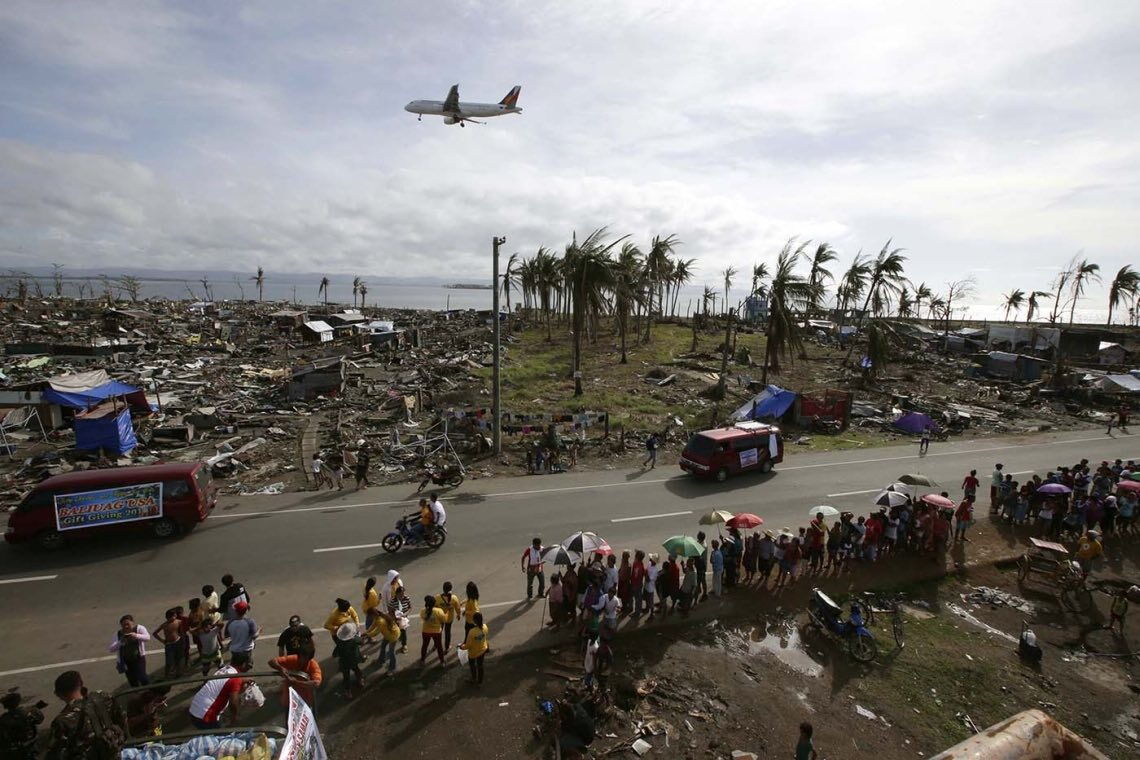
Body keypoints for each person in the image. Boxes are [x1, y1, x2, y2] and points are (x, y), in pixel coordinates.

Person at [43, 671, 126, 760]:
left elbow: (54, 754)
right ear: (81, 684)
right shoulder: (104, 697)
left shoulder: (63, 720)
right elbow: (122, 720)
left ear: (59, 695)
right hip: (114, 754)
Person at [187, 652, 252, 730]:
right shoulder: (235, 679)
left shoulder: (225, 669)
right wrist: (235, 717)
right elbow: (233, 702)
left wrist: (243, 680)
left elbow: (228, 682)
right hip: (205, 716)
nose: (250, 667)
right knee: (219, 738)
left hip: (195, 709)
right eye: (249, 665)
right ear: (244, 664)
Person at [0, 692, 45, 760]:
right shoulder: (27, 712)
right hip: (30, 748)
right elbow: (40, 720)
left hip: (15, 751)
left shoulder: (4, 718)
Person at [109, 615, 151, 687]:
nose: (126, 626)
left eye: (128, 624)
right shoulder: (117, 634)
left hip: (138, 658)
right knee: (132, 679)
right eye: (123, 625)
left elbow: (147, 638)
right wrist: (120, 642)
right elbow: (111, 649)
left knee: (142, 677)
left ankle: (150, 691)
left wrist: (136, 635)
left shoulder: (139, 628)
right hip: (126, 660)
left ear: (132, 623)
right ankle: (137, 693)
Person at [332, 623, 364, 698]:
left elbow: (335, 654)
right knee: (356, 669)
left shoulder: (340, 642)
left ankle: (348, 692)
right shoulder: (354, 639)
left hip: (344, 662)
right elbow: (361, 641)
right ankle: (360, 680)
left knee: (346, 676)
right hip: (354, 659)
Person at [153, 608, 186, 679]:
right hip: (169, 644)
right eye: (173, 616)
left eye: (175, 616)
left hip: (178, 642)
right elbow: (155, 633)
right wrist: (162, 640)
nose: (175, 617)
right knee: (169, 662)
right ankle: (167, 676)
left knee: (179, 659)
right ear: (168, 617)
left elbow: (182, 632)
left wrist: (182, 641)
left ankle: (179, 673)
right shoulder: (164, 625)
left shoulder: (178, 622)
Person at [460, 612, 489, 685]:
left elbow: (468, 645)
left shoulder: (472, 632)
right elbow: (485, 636)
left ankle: (474, 678)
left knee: (472, 665)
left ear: (475, 620)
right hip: (482, 649)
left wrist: (461, 647)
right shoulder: (485, 627)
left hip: (473, 653)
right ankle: (480, 681)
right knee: (480, 665)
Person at [420, 595, 447, 666]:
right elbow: (444, 620)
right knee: (439, 647)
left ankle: (422, 660)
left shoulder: (423, 611)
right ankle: (442, 661)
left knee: (425, 645)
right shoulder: (439, 611)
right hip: (436, 632)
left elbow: (423, 618)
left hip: (426, 631)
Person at [436, 581, 462, 651]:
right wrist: (458, 614)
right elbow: (458, 608)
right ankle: (447, 647)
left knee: (438, 631)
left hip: (440, 618)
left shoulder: (438, 598)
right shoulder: (454, 598)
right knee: (447, 632)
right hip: (449, 619)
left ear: (443, 588)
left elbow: (434, 607)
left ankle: (436, 644)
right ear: (451, 589)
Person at [630, 550, 647, 616]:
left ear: (637, 557)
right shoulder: (640, 563)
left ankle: (637, 612)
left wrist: (633, 583)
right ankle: (638, 610)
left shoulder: (637, 565)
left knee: (637, 599)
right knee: (638, 598)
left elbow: (636, 576)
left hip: (636, 584)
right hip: (638, 584)